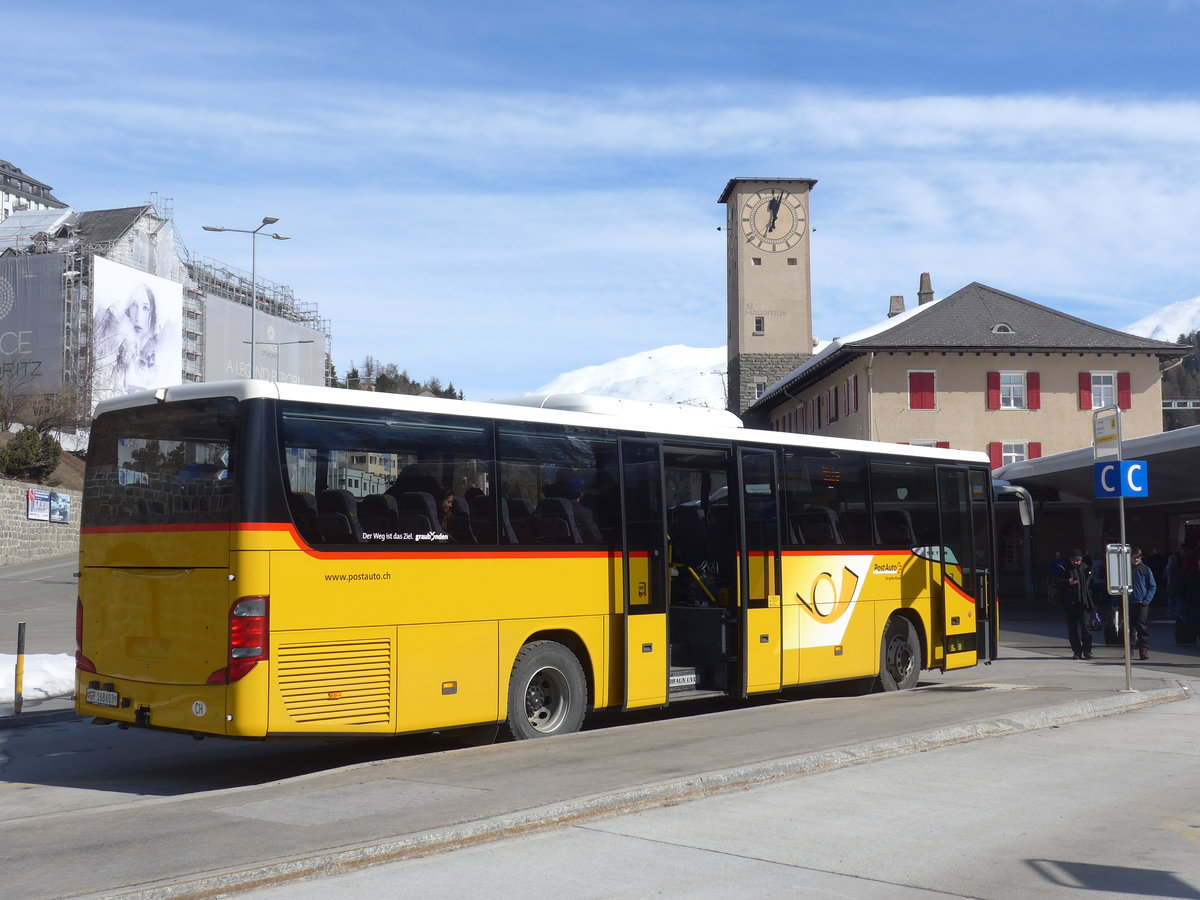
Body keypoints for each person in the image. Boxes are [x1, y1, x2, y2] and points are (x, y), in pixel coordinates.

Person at [1053, 549, 1094, 659]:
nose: (1076, 562)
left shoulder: (1085, 568)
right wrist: (1067, 582)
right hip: (1070, 602)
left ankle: (1087, 650)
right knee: (1072, 628)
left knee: (1086, 627)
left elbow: (1091, 586)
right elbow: (1056, 582)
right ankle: (1077, 651)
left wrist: (1093, 602)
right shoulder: (1063, 568)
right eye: (1074, 560)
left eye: (1078, 560)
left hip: (1084, 602)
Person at [1130, 548, 1156, 660]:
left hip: (1141, 603)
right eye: (1134, 557)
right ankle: (1129, 649)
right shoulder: (1126, 569)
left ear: (1140, 558)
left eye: (1138, 557)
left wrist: (1146, 600)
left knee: (1142, 627)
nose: (1135, 559)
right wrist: (1116, 602)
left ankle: (1143, 651)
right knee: (1128, 627)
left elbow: (1152, 586)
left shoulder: (1145, 569)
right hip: (1129, 602)